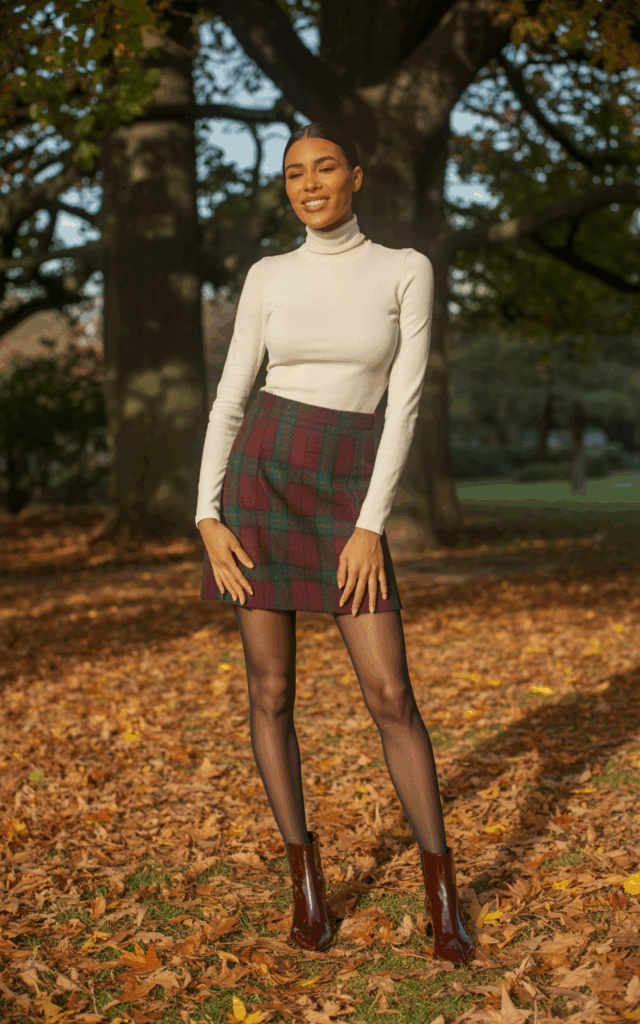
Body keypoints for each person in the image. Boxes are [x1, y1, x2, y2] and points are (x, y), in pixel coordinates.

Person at [195, 122, 474, 965]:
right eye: (293, 174)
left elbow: (407, 404)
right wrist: (206, 514)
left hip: (348, 484)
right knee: (270, 691)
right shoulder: (268, 275)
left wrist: (369, 526)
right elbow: (232, 397)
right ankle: (306, 887)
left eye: (324, 168)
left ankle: (442, 894)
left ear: (357, 175)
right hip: (261, 481)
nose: (309, 184)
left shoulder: (403, 268)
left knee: (391, 694)